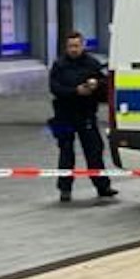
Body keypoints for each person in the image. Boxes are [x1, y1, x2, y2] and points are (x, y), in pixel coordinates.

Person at [47, 31, 116, 202]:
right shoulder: (59, 65)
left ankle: (103, 186)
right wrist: (75, 91)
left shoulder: (91, 63)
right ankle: (65, 188)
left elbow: (105, 84)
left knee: (94, 150)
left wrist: (95, 85)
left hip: (86, 113)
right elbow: (55, 88)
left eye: (77, 46)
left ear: (83, 46)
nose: (74, 49)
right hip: (64, 114)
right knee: (65, 153)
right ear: (66, 47)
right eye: (71, 46)